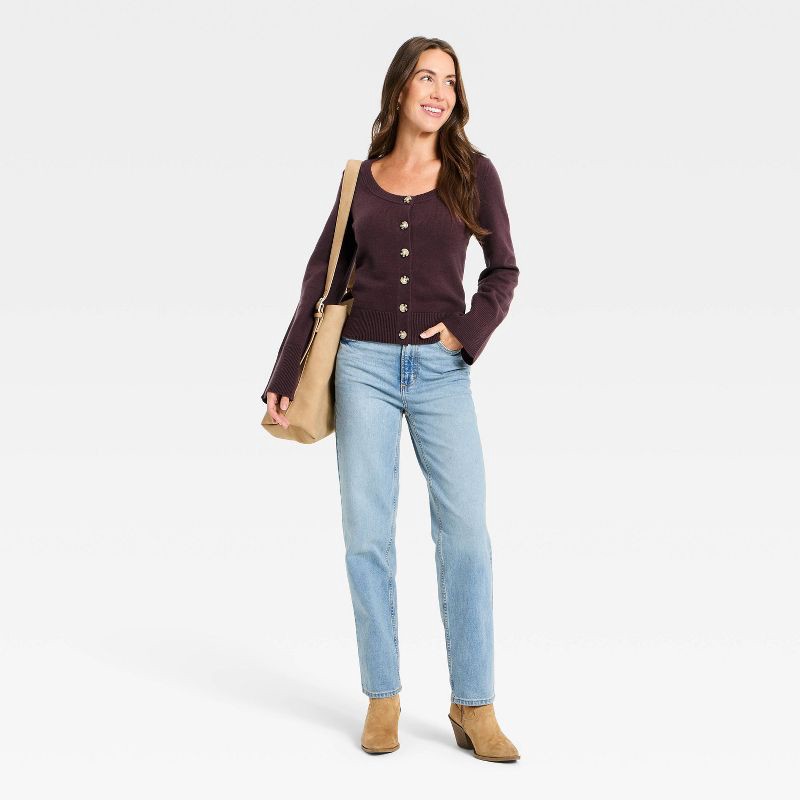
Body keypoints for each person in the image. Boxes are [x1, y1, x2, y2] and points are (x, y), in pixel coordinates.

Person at [261, 37, 521, 762]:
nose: (438, 91)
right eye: (425, 77)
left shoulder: (473, 173)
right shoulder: (361, 180)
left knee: (465, 535)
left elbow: (503, 270)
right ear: (400, 89)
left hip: (443, 372)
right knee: (367, 535)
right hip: (363, 369)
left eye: (450, 81)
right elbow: (320, 281)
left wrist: (467, 331)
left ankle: (474, 703)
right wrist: (285, 372)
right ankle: (382, 697)